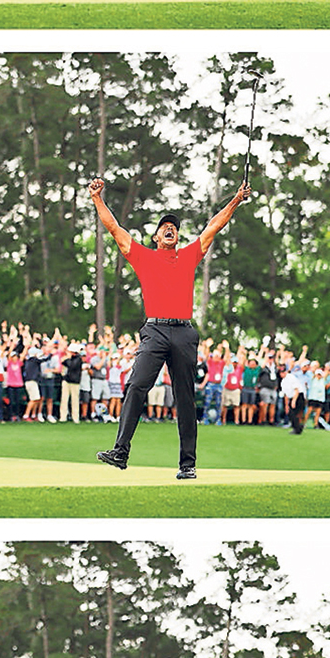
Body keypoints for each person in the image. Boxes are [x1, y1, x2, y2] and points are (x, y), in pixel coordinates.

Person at [87, 176, 250, 478]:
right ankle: (120, 452)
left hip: (184, 332)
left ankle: (187, 465)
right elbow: (114, 229)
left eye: (173, 226)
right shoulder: (143, 256)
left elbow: (214, 225)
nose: (170, 228)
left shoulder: (188, 256)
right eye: (164, 226)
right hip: (155, 331)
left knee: (185, 397)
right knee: (137, 386)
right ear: (156, 237)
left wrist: (236, 200)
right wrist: (97, 198)